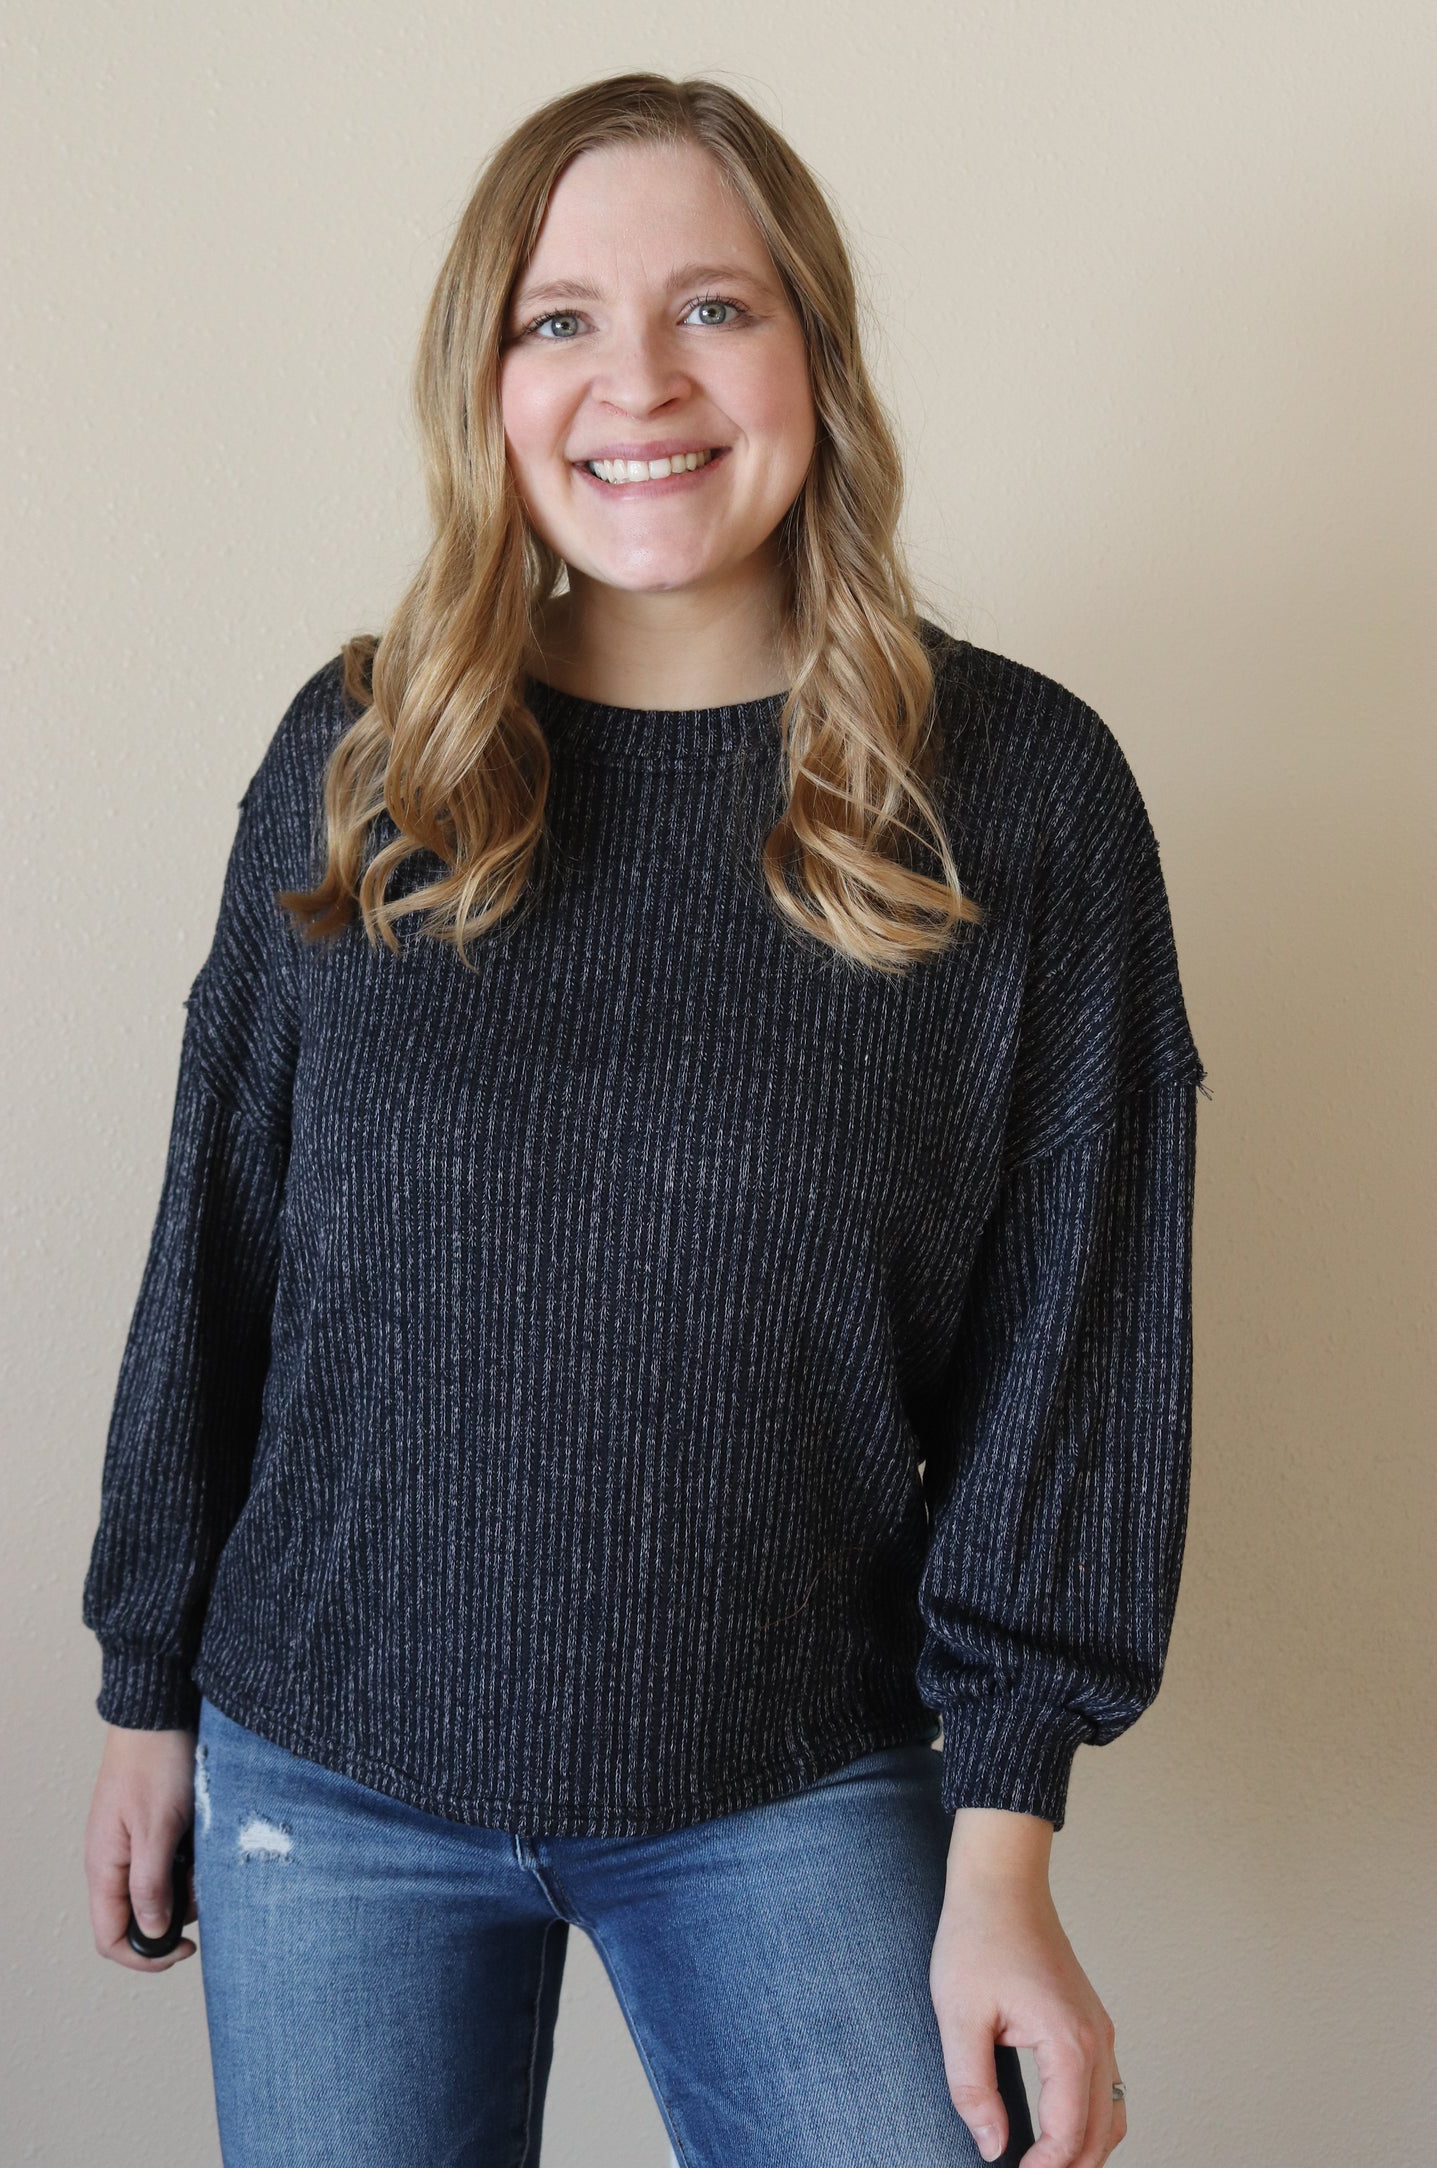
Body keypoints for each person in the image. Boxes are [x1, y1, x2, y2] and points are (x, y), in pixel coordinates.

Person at [81, 71, 1203, 2168]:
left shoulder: (1023, 803)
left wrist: (1007, 1856)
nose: (641, 381)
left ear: (817, 358)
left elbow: (1083, 1342)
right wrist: (147, 1685)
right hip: (325, 1770)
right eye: (558, 320)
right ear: (483, 384)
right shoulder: (357, 760)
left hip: (786, 1771)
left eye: (715, 307)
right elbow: (214, 1235)